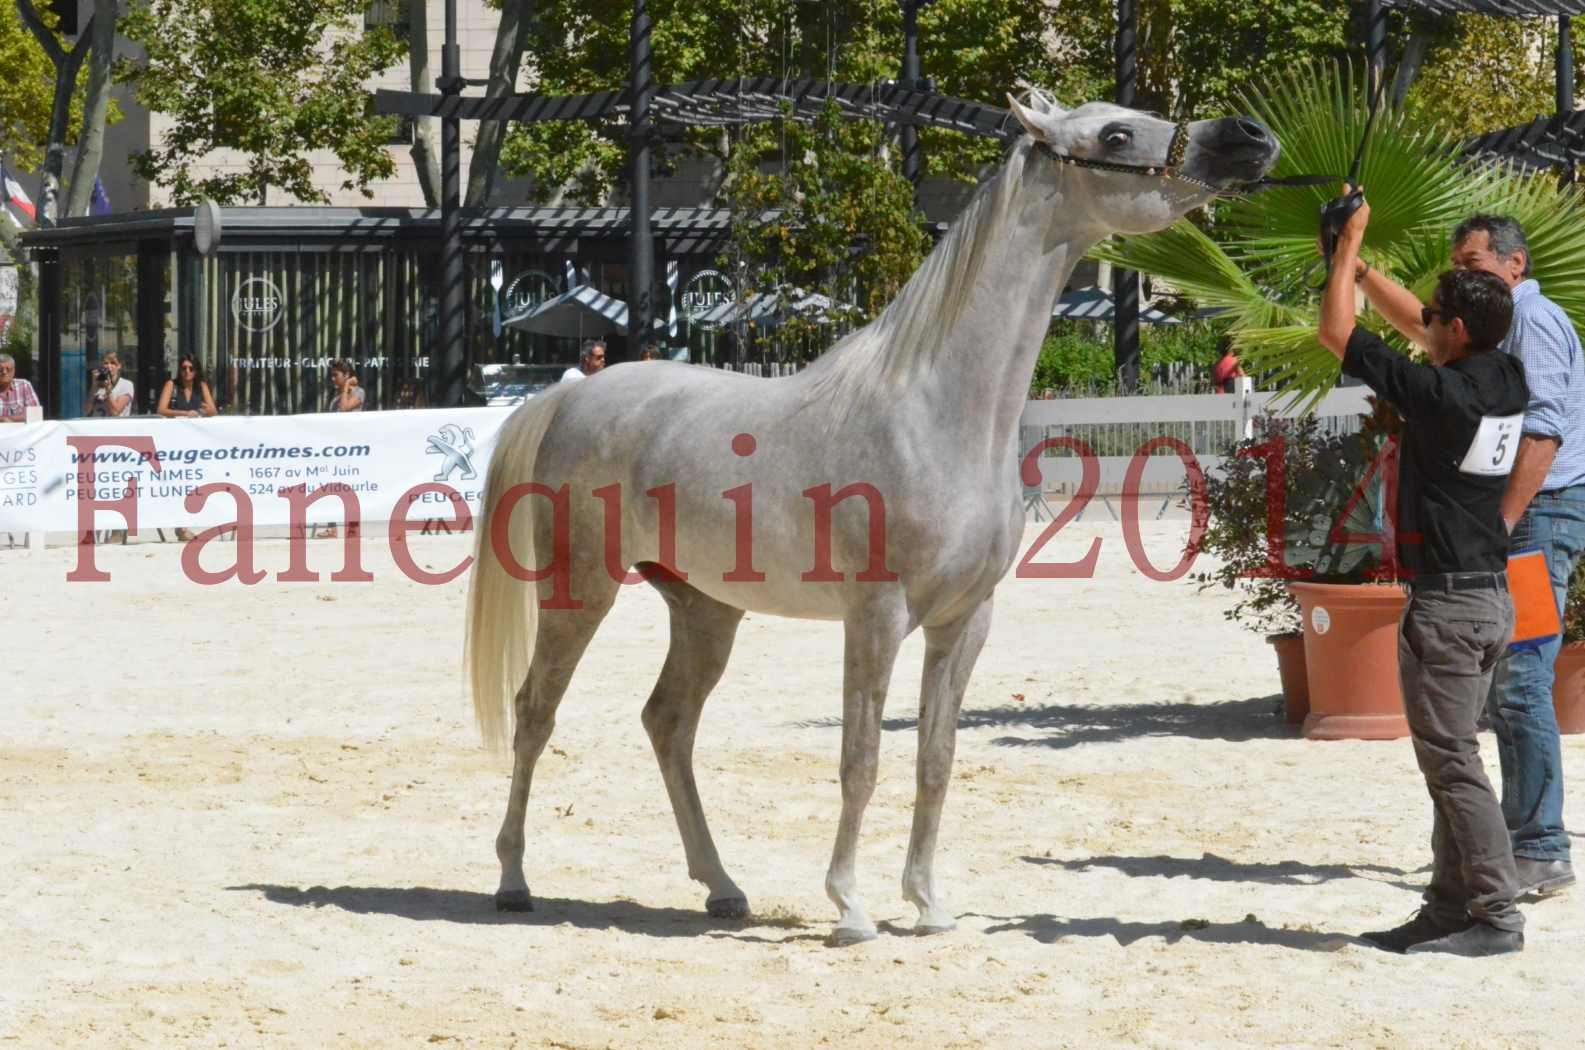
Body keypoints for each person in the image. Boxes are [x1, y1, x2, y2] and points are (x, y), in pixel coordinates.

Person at [1320, 188, 1529, 956]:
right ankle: (1447, 906)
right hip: (1485, 598)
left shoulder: (1441, 392)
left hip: (1447, 607)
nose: (1424, 328)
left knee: (1452, 766)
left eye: (1436, 320)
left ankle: (1494, 915)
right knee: (1453, 762)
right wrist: (1357, 261)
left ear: (1459, 331)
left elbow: (1335, 330)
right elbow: (1418, 322)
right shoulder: (1501, 374)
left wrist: (1345, 254)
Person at [1356, 214, 1581, 899]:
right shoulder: (1487, 326)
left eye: (1474, 261)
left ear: (1515, 264)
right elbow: (1419, 326)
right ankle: (1510, 845)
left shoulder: (1531, 322)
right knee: (1509, 682)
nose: (1463, 274)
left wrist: (1502, 521)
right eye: (1457, 263)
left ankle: (1539, 846)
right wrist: (1357, 268)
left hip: (1535, 517)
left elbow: (1543, 432)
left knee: (1519, 681)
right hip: (1516, 521)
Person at [84, 352, 133, 418]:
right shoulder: (99, 384)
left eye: (113, 363)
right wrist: (94, 386)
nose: (109, 366)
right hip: (97, 426)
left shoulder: (126, 384)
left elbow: (115, 412)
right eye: (106, 363)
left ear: (119, 366)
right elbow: (86, 410)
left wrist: (108, 389)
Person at [0, 353, 40, 422]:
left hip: (22, 432)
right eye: (0, 370)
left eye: (8, 369)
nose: (4, 372)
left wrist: (6, 419)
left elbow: (35, 415)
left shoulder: (24, 385)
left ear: (14, 370)